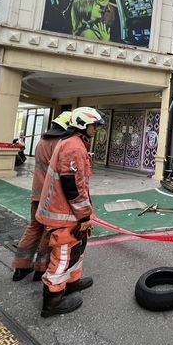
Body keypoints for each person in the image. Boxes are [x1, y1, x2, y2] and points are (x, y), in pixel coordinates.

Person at [35, 107, 105, 318]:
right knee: (63, 254)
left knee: (77, 247)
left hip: (70, 212)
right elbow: (72, 185)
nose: (96, 130)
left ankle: (72, 282)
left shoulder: (75, 143)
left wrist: (86, 213)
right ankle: (52, 301)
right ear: (84, 125)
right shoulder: (74, 146)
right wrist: (84, 214)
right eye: (94, 126)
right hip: (64, 214)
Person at [12, 111, 72, 282]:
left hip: (37, 193)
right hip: (52, 196)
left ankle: (20, 267)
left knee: (33, 228)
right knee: (48, 231)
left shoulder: (42, 142)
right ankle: (41, 268)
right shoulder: (60, 143)